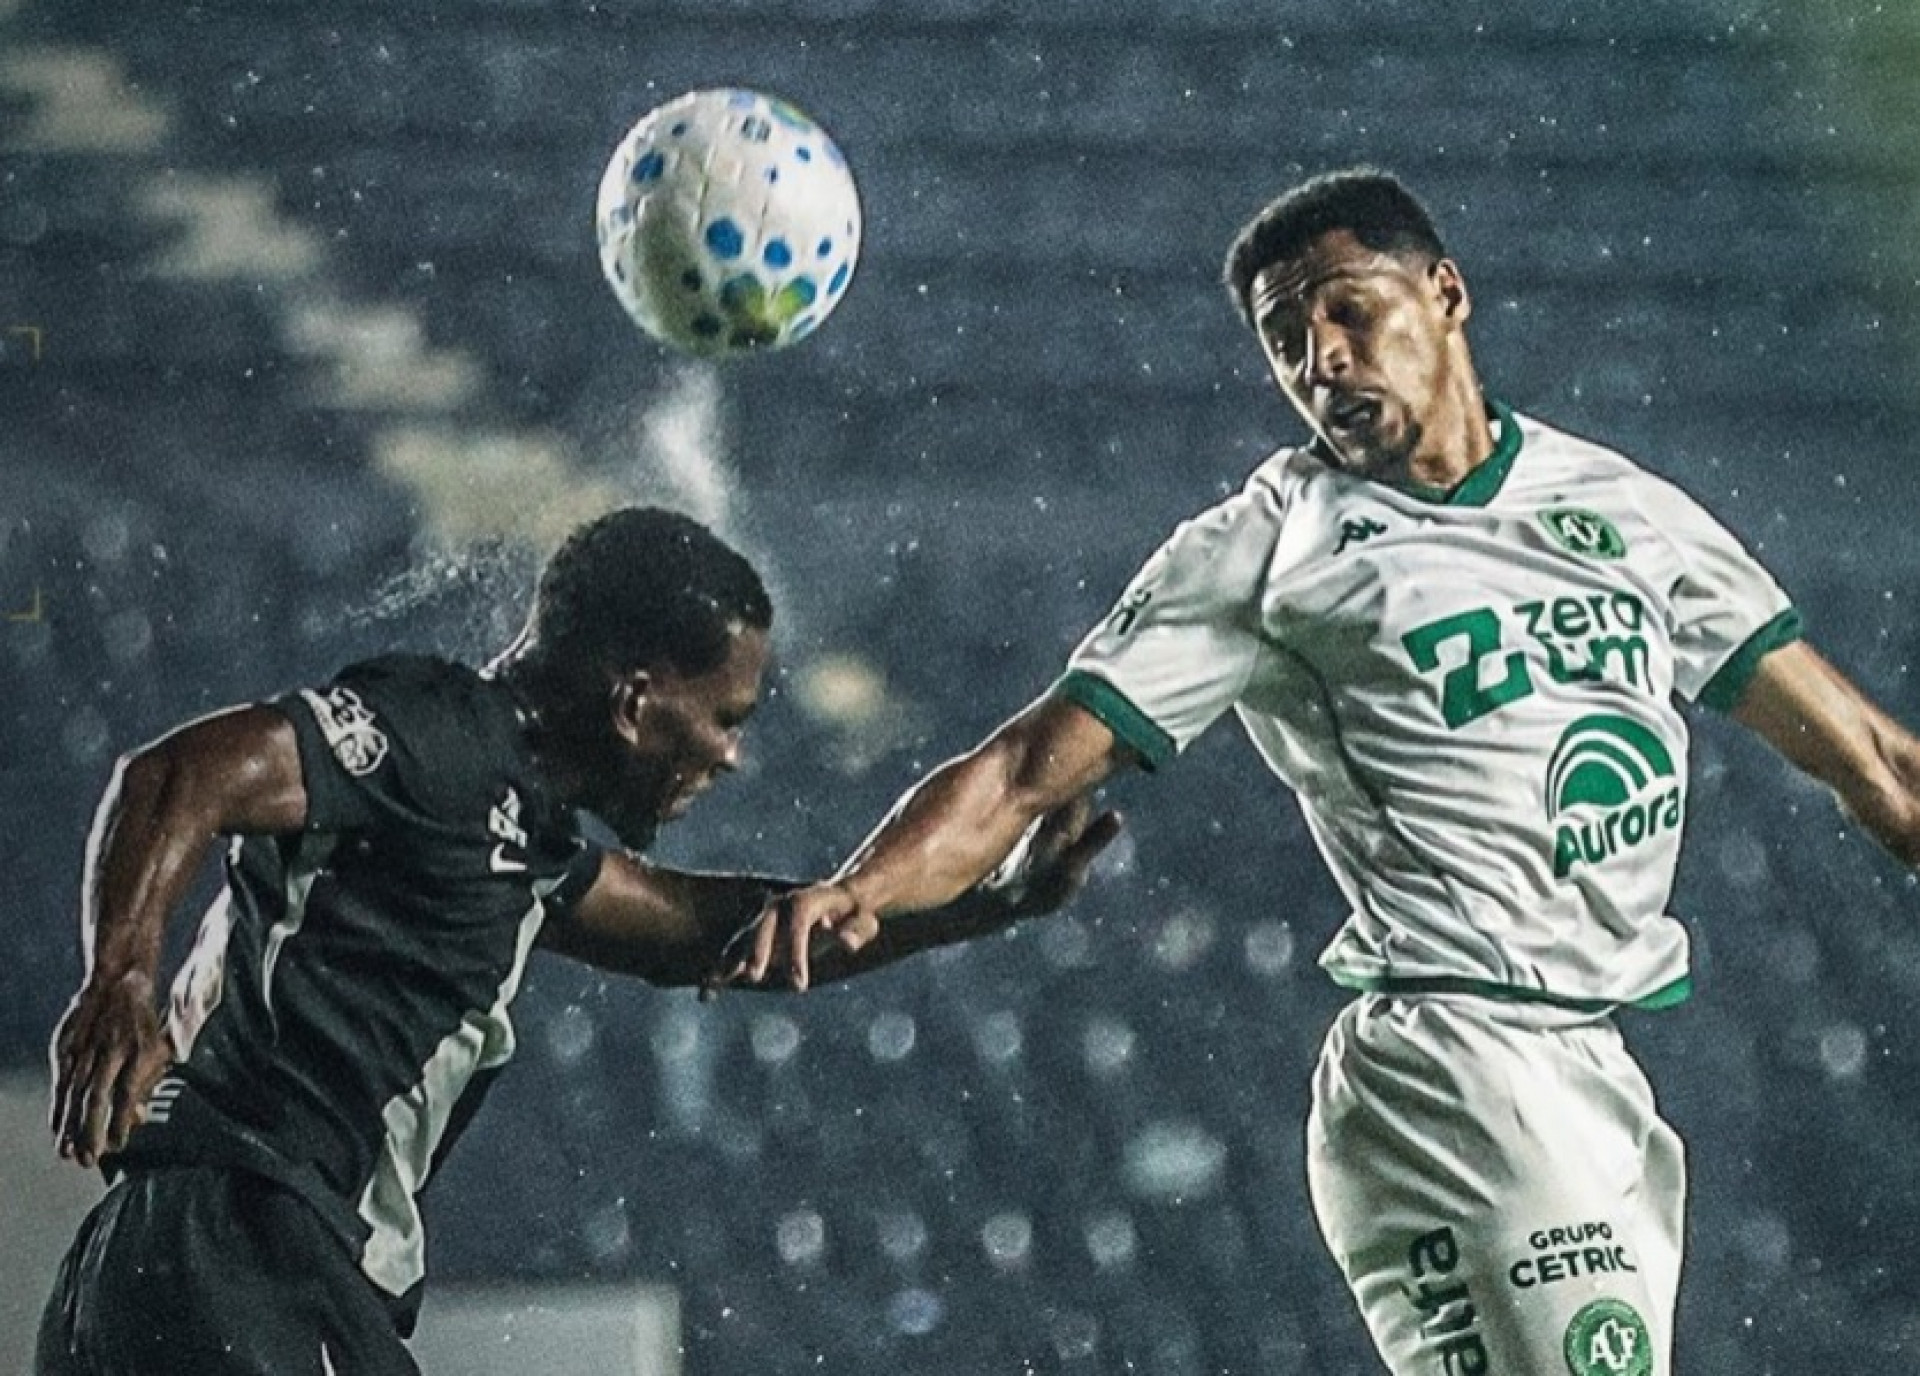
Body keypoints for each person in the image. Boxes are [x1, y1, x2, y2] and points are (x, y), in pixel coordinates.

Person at [740, 167, 1920, 1375]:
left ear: (1445, 293)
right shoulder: (1271, 547)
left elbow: (1878, 760)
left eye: (1349, 311)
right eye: (1287, 339)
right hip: (1459, 1054)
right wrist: (863, 887)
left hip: (1589, 1064)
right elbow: (1027, 769)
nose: (1324, 360)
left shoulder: (1626, 511)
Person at [37, 506, 1119, 1375]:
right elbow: (178, 772)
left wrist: (978, 905)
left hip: (193, 1257)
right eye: (726, 715)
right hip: (243, 1242)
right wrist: (120, 977)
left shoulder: (526, 839)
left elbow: (715, 934)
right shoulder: (437, 735)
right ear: (638, 700)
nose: (733, 755)